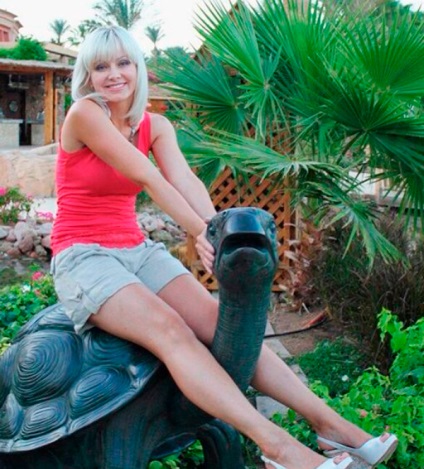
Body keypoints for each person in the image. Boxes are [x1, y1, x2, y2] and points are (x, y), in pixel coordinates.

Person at [50, 25, 397, 469]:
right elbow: (147, 177)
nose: (113, 74)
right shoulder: (85, 113)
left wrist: (219, 229)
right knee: (171, 330)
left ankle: (331, 426)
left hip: (136, 248)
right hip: (83, 255)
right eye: (101, 66)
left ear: (138, 68)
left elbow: (184, 179)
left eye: (123, 63)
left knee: (226, 326)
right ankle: (278, 448)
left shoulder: (155, 125)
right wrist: (199, 231)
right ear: (88, 74)